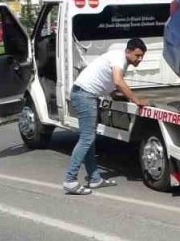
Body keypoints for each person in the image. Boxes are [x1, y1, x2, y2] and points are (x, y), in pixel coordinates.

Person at [64, 38, 150, 195]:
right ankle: (70, 180)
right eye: (137, 55)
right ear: (128, 51)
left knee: (89, 140)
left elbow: (111, 86)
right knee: (87, 139)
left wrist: (119, 96)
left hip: (85, 95)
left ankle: (94, 179)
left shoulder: (120, 61)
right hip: (85, 96)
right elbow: (118, 81)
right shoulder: (119, 58)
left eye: (142, 56)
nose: (140, 59)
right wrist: (136, 100)